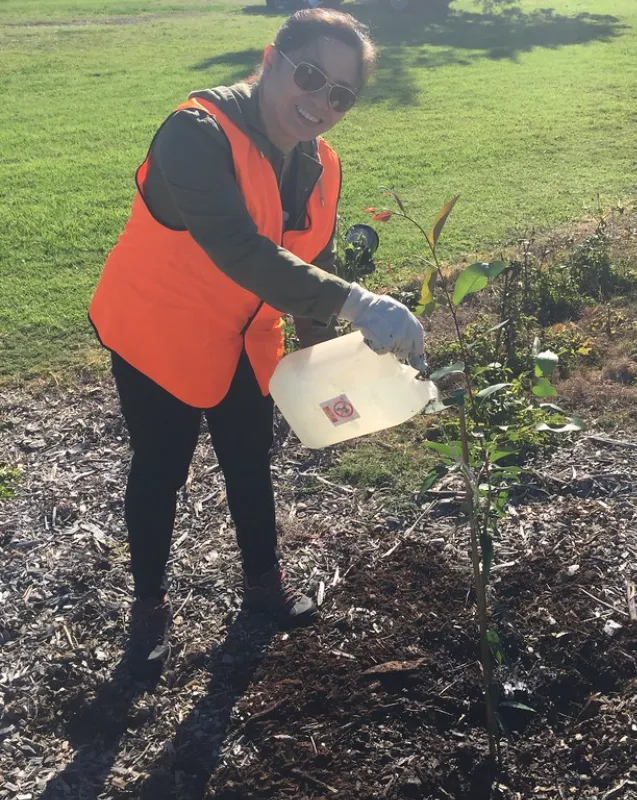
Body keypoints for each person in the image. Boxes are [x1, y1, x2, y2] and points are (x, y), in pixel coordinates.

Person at [89, 8, 425, 681]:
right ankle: (150, 603)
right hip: (158, 333)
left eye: (341, 94)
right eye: (310, 76)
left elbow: (314, 258)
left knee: (249, 458)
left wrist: (324, 366)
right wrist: (359, 302)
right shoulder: (195, 133)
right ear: (272, 60)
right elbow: (240, 250)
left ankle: (262, 583)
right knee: (161, 468)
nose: (321, 103)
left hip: (245, 340)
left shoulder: (322, 163)